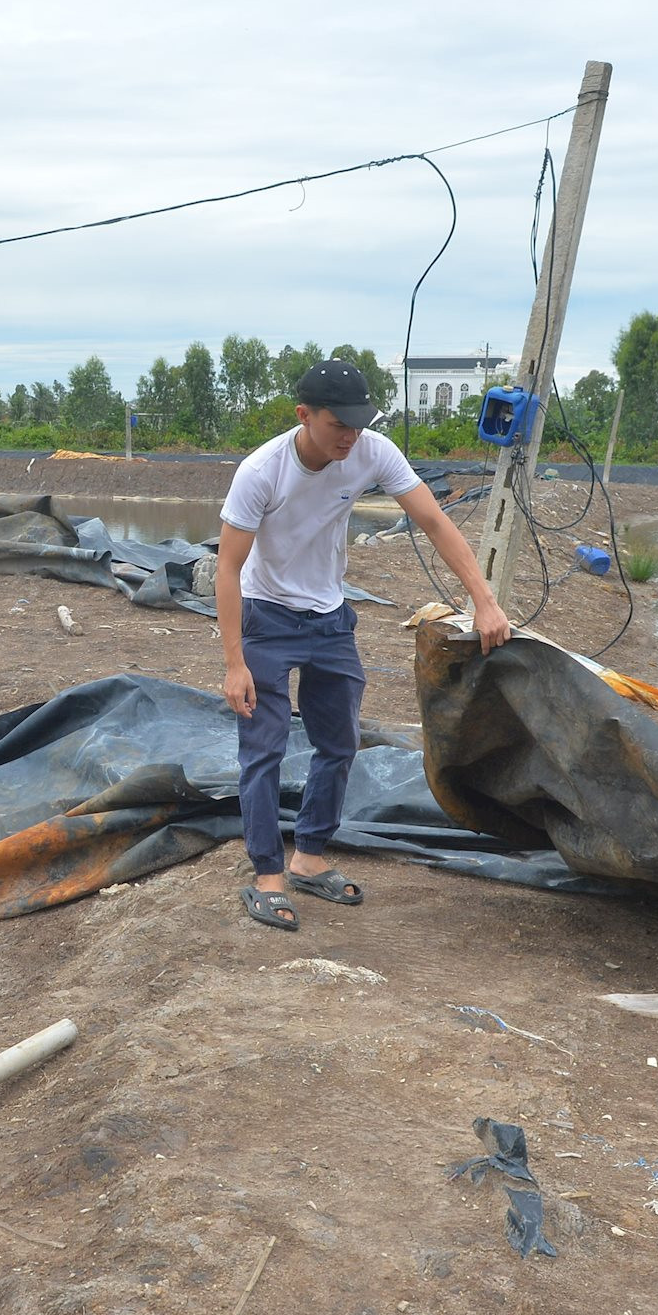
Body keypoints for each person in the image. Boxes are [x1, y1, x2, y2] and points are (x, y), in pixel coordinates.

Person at [217, 358, 511, 931]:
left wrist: (485, 600)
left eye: (359, 423)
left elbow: (434, 521)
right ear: (305, 416)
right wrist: (234, 663)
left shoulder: (371, 451)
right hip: (267, 617)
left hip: (330, 618)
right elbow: (228, 568)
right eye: (338, 425)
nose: (350, 435)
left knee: (340, 741)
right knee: (265, 748)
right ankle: (267, 877)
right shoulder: (261, 472)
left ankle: (309, 856)